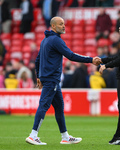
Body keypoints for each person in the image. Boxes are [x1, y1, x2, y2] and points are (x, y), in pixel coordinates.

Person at [25, 16, 101, 145]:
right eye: (61, 24)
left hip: (49, 79)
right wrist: (90, 60)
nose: (64, 26)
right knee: (43, 105)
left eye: (64, 24)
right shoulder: (55, 40)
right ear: (53, 26)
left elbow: (37, 60)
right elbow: (70, 55)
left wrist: (38, 77)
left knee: (59, 108)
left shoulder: (45, 40)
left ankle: (65, 137)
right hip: (51, 79)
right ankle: (33, 135)